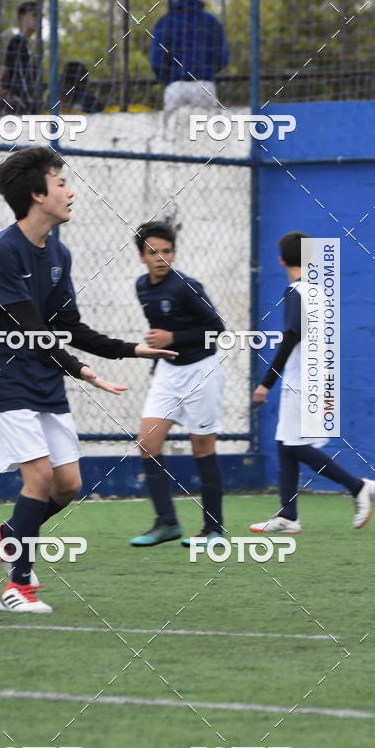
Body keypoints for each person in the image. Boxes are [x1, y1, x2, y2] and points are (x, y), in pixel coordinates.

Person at [0, 148, 178, 613]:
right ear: (36, 194)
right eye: (60, 181)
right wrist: (84, 371)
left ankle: (6, 536)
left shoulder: (59, 253)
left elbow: (69, 326)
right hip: (6, 381)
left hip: (45, 381)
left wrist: (130, 349)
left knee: (68, 485)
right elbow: (34, 330)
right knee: (40, 478)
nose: (70, 191)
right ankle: (17, 588)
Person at [250, 231, 375, 534]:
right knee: (285, 445)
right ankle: (288, 516)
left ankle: (358, 486)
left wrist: (266, 383)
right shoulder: (319, 293)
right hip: (314, 379)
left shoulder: (295, 291)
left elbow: (290, 337)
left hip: (301, 383)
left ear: (281, 260)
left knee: (295, 447)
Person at [130, 221, 226, 548]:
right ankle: (167, 523)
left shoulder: (187, 286)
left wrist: (174, 338)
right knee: (147, 443)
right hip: (168, 373)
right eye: (152, 252)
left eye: (167, 251)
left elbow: (217, 329)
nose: (160, 257)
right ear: (142, 256)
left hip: (201, 371)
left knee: (202, 447)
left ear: (174, 253)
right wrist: (159, 355)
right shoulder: (141, 286)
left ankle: (213, 530)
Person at [150, 0, 229, 111]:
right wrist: (207, 71)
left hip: (176, 85)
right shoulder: (211, 22)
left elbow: (157, 62)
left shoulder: (165, 23)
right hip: (204, 85)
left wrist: (168, 78)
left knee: (174, 124)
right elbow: (222, 58)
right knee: (204, 125)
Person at [0, 1, 38, 115]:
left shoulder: (30, 45)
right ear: (22, 17)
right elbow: (5, 72)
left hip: (28, 106)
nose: (38, 20)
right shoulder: (16, 42)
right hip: (18, 107)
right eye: (34, 15)